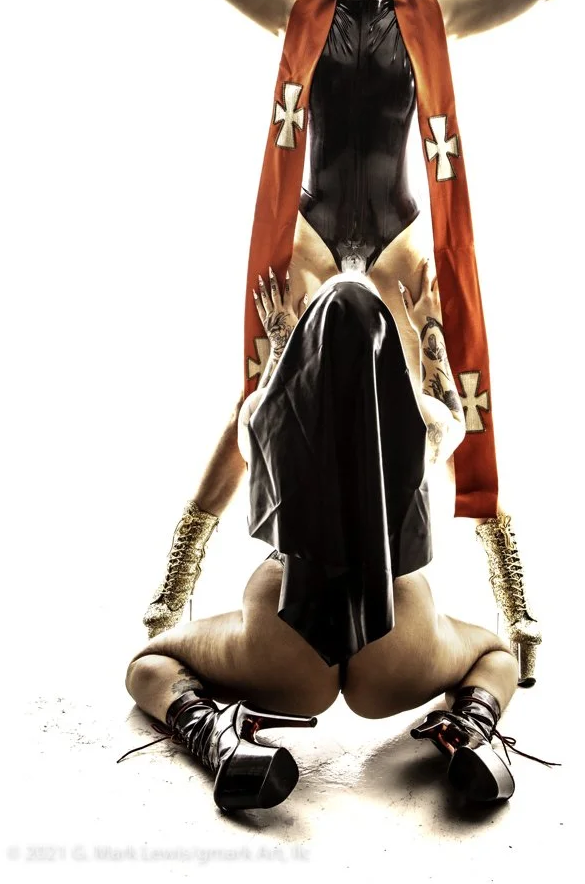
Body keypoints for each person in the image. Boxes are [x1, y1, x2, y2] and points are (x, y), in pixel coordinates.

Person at [26, 0, 585, 681]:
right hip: (310, 227)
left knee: (447, 385)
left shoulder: (433, 17)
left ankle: (513, 597)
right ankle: (177, 580)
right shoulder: (296, 11)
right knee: (266, 384)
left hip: (397, 230)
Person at [121, 265, 556, 811]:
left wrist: (282, 335)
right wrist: (428, 328)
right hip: (396, 636)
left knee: (149, 667)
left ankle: (217, 738)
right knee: (497, 656)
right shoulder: (425, 421)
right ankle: (468, 728)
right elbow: (453, 409)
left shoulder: (260, 416)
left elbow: (271, 402)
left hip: (287, 633)